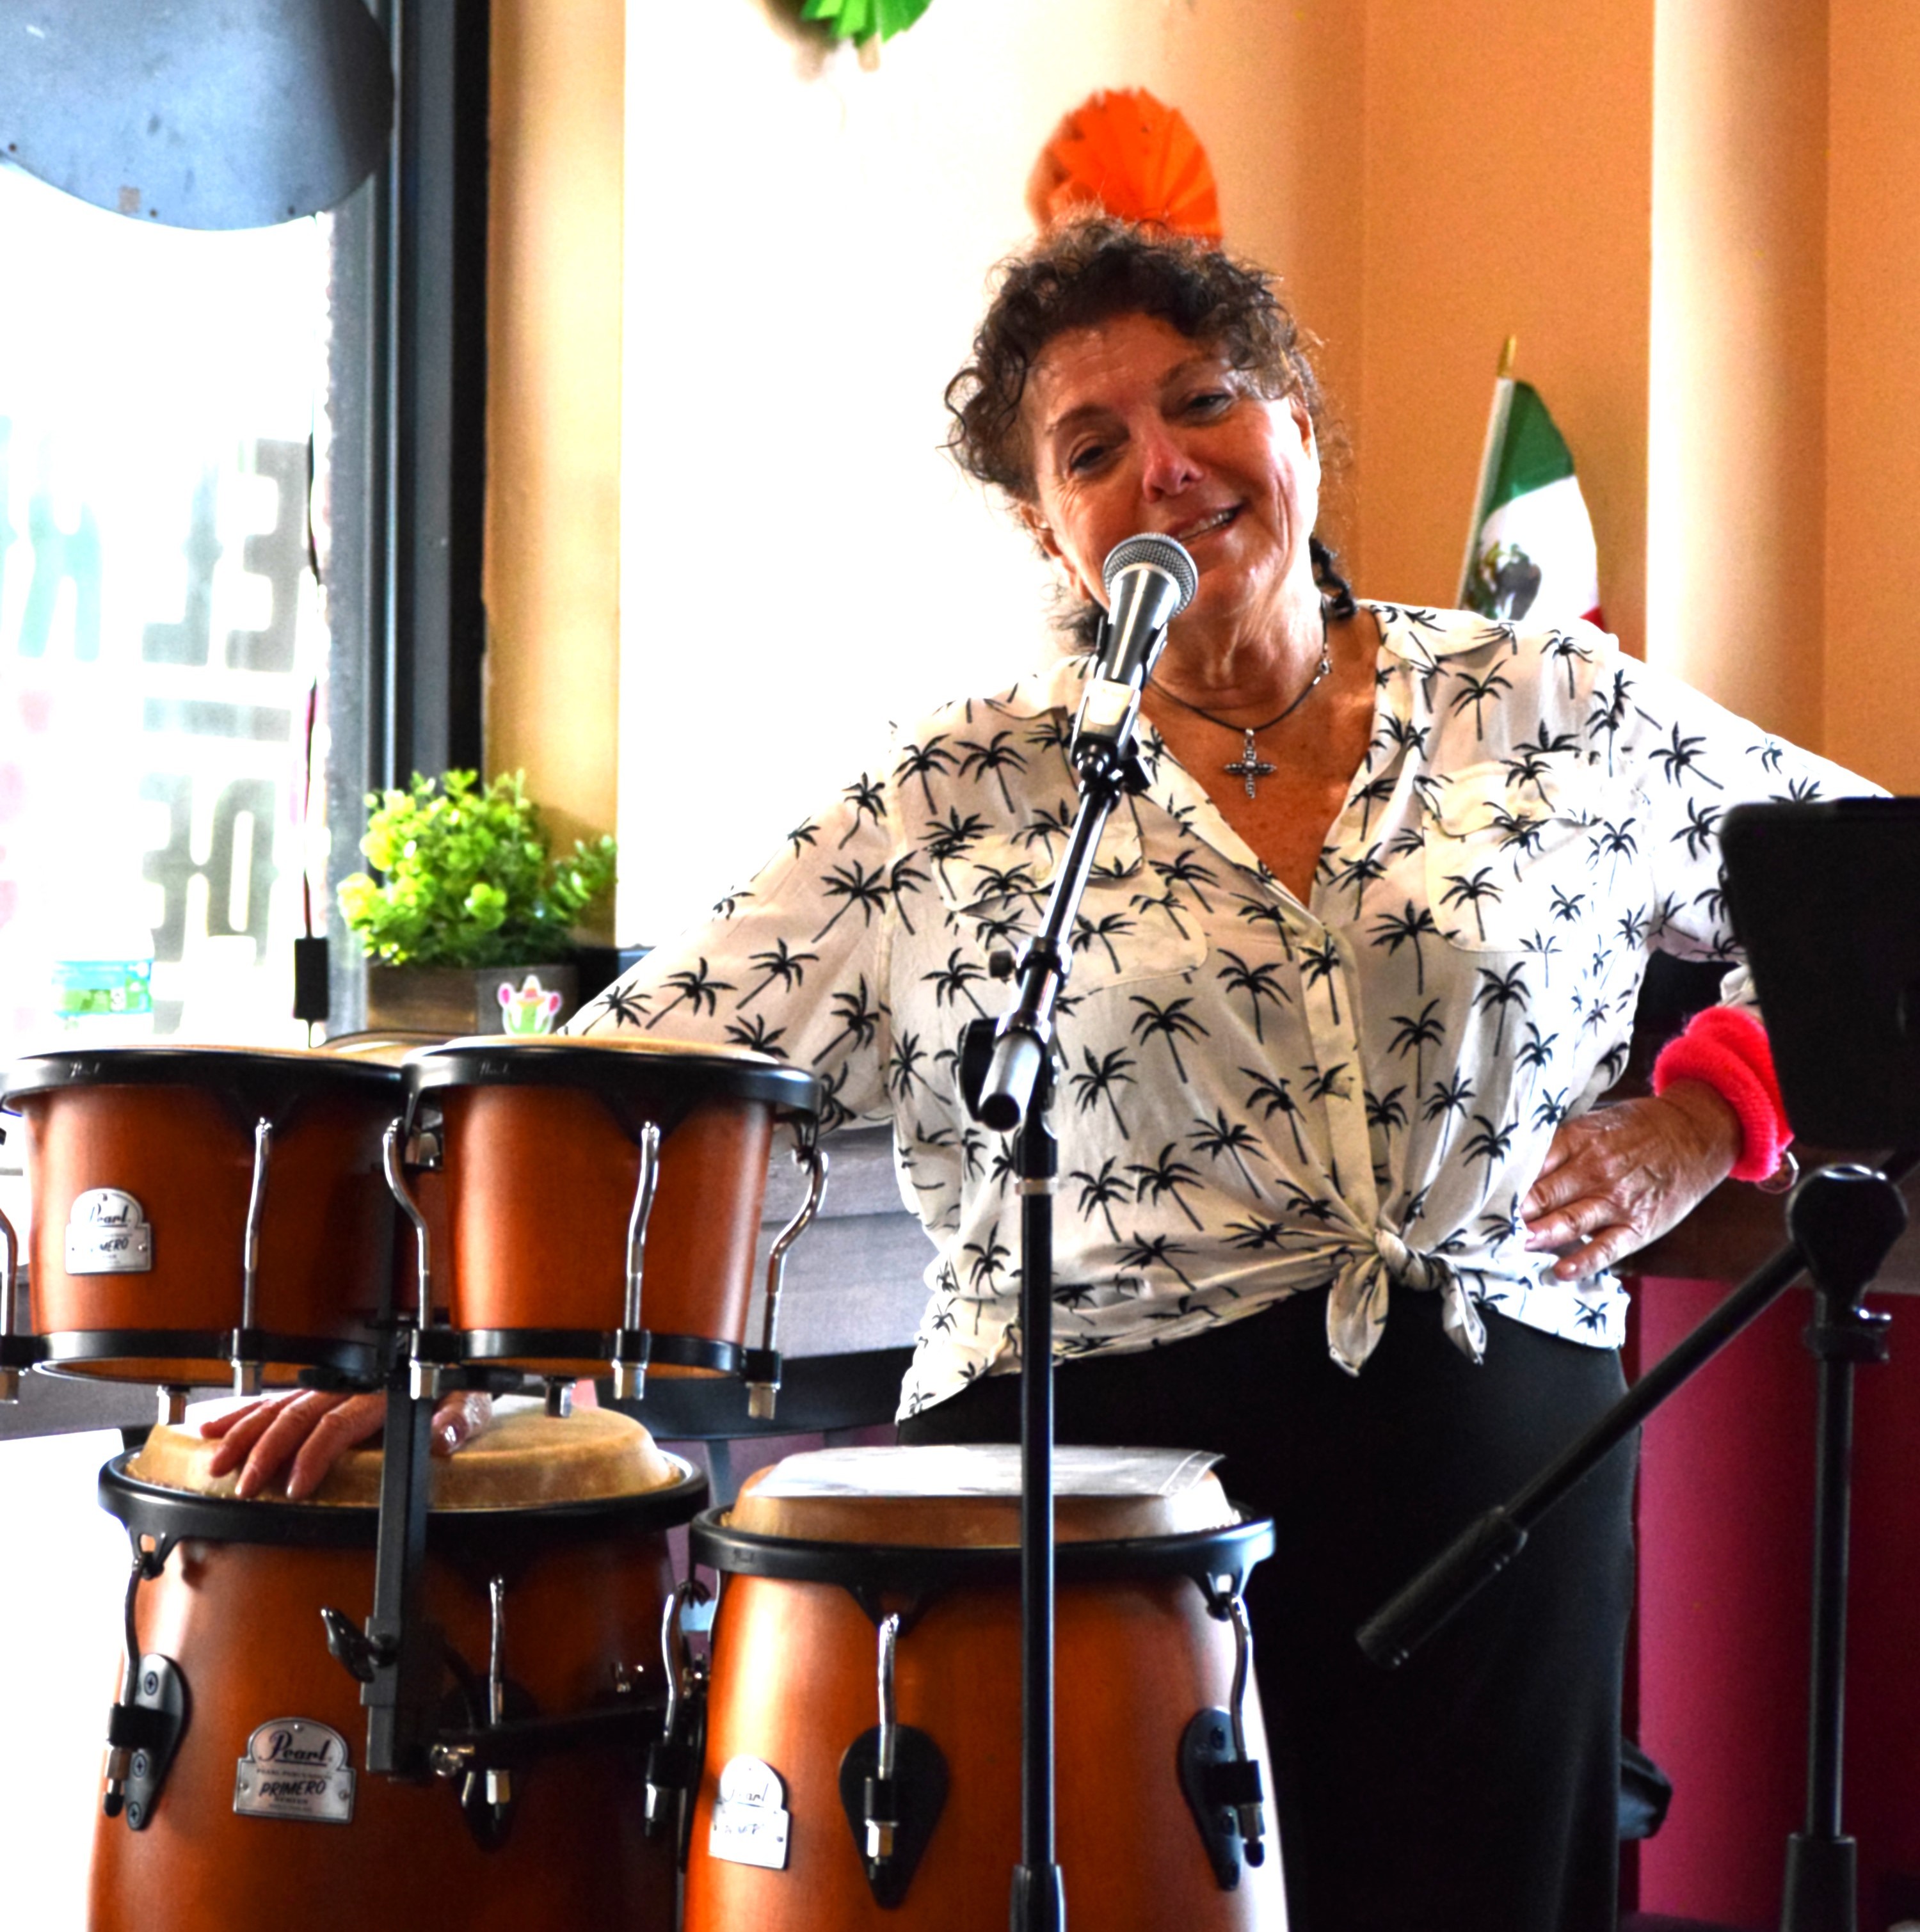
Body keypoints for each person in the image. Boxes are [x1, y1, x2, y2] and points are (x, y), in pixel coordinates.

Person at [216, 218, 1868, 1929]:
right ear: (1047, 524)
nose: (1167, 465)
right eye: (1093, 448)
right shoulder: (957, 794)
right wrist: (443, 1352)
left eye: (1205, 401)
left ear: (1297, 422)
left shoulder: (1548, 703)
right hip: (1083, 1518)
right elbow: (643, 1068)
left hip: (1494, 1488)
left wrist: (1710, 1114)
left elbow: (1874, 897)